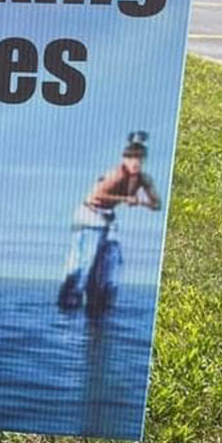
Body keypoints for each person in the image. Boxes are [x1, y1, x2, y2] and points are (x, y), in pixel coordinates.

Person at [58, 132, 160, 311]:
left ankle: (100, 307)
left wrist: (144, 202)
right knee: (81, 266)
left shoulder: (144, 179)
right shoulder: (116, 174)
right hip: (90, 216)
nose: (135, 162)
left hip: (107, 219)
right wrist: (125, 198)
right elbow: (98, 194)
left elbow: (157, 204)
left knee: (109, 268)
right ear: (124, 159)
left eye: (139, 158)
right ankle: (68, 307)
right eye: (131, 157)